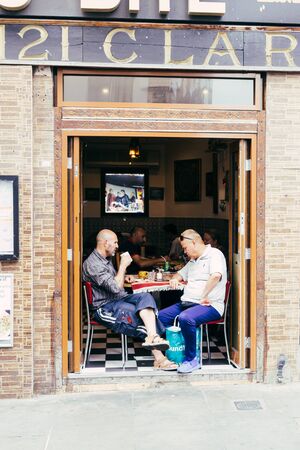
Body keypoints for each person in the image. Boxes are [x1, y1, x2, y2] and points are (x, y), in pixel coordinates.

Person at [82, 229, 177, 370]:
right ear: (105, 243)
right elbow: (115, 288)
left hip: (118, 299)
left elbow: (114, 284)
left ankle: (152, 336)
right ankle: (160, 359)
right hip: (104, 307)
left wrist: (123, 276)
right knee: (138, 315)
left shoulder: (104, 259)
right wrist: (122, 266)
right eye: (115, 242)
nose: (117, 246)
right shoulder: (93, 264)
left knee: (145, 296)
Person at [158, 229, 227, 374]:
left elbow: (215, 276)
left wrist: (204, 295)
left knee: (186, 318)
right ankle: (177, 349)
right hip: (187, 303)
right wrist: (175, 280)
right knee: (160, 317)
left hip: (209, 305)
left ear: (194, 242)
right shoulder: (193, 261)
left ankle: (191, 359)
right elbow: (179, 274)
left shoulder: (215, 254)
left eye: (185, 248)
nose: (184, 252)